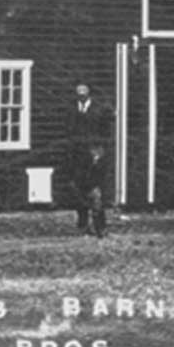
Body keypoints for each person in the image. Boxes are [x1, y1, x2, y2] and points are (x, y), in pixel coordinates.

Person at [65, 82, 111, 236]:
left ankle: (100, 227)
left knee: (96, 191)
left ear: (89, 93)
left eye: (84, 91)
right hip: (77, 155)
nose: (81, 94)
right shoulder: (71, 110)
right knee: (78, 190)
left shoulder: (99, 110)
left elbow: (105, 132)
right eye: (78, 91)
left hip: (94, 153)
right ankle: (83, 225)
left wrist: (99, 151)